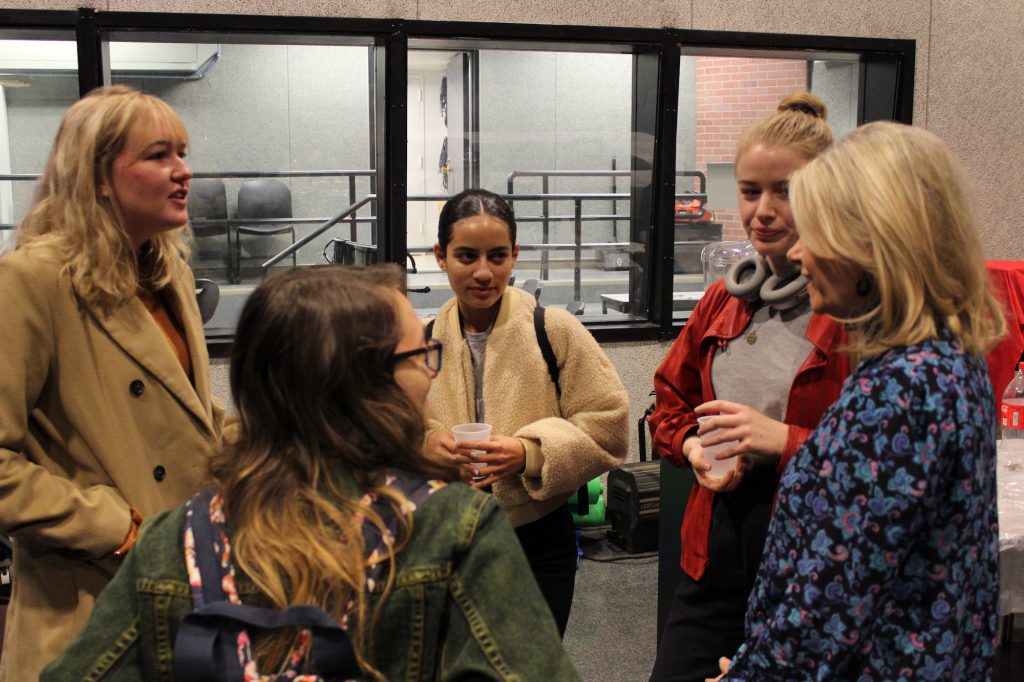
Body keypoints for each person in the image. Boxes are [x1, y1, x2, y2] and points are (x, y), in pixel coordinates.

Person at [42, 265, 580, 681]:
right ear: (371, 387)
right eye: (422, 354)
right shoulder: (452, 529)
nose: (430, 373)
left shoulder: (172, 541)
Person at [712, 122, 1005, 680]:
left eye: (814, 233)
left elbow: (832, 598)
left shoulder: (906, 389)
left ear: (871, 247)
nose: (797, 252)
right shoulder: (940, 360)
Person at [0, 85, 223, 680]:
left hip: (185, 586)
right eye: (158, 155)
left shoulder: (166, 272)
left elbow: (188, 417)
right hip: (91, 606)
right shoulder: (31, 281)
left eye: (182, 152)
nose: (183, 172)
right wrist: (115, 528)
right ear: (99, 176)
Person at [648, 93, 851, 682]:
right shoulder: (724, 299)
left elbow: (881, 463)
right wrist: (694, 446)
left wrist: (783, 440)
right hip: (713, 555)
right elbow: (669, 399)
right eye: (749, 190)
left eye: (784, 190)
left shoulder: (852, 312)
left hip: (811, 570)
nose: (762, 210)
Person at [425, 188, 629, 636]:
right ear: (440, 256)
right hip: (448, 536)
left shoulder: (553, 330)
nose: (484, 272)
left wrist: (529, 453)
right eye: (466, 256)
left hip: (537, 539)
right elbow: (393, 428)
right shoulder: (425, 342)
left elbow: (609, 423)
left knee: (532, 665)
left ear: (515, 255)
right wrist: (430, 446)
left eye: (498, 256)